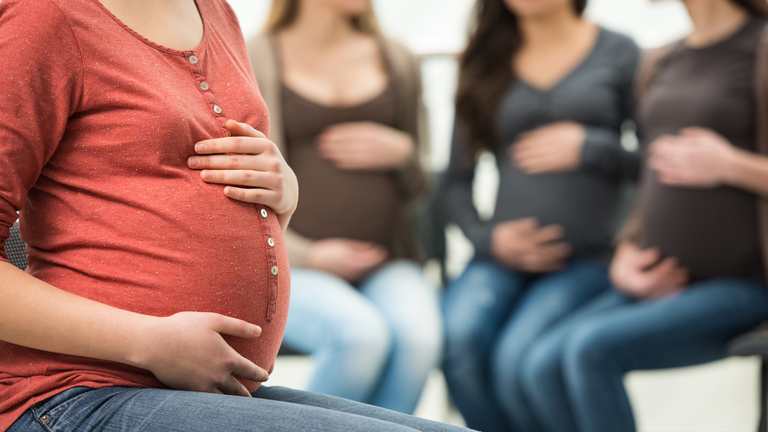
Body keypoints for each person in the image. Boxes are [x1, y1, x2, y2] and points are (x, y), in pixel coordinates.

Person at [0, 1, 469, 431]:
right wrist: (149, 341)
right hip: (75, 395)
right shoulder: (48, 18)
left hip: (202, 389)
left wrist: (281, 199)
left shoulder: (214, 10)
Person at [519, 0, 768, 431]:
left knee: (591, 349)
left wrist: (730, 165)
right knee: (541, 364)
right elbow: (650, 176)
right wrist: (627, 250)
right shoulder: (662, 57)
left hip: (744, 283)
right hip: (664, 277)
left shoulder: (760, 45)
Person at [440, 0, 640, 430]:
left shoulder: (621, 52)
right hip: (501, 255)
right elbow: (455, 182)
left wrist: (592, 147)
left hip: (588, 257)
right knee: (458, 341)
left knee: (518, 357)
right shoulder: (483, 60)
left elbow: (658, 162)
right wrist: (488, 239)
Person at [247, 0, 442, 414]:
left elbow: (422, 181)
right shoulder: (255, 54)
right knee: (358, 335)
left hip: (388, 260)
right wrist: (309, 254)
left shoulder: (397, 57)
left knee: (418, 338)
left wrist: (402, 152)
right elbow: (242, 178)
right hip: (290, 263)